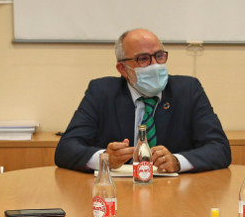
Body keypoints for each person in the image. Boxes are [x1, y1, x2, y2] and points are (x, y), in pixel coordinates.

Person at [54, 28, 231, 173]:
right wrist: (105, 158)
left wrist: (177, 161)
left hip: (175, 191)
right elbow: (66, 149)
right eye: (143, 59)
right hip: (120, 192)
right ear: (123, 69)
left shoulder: (188, 90)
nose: (155, 65)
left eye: (159, 56)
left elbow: (220, 149)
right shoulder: (101, 92)